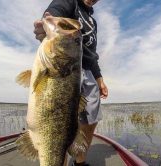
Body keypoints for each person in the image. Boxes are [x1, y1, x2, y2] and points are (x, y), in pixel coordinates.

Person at [34, 0, 108, 165]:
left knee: (91, 119)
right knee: (58, 123)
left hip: (87, 71)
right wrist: (46, 25)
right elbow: (53, 14)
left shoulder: (93, 22)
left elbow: (92, 55)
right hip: (67, 68)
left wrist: (100, 79)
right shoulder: (69, 2)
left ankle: (79, 161)